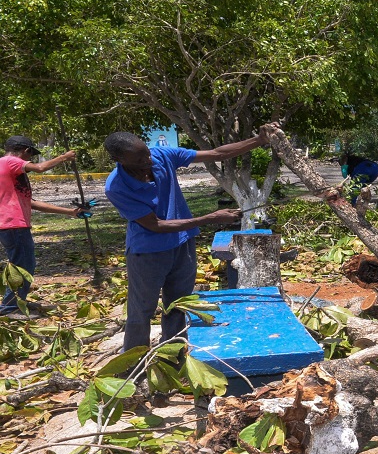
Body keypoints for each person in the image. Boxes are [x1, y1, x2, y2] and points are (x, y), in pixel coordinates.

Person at [104, 123, 279, 351]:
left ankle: (173, 357)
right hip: (147, 252)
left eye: (146, 152)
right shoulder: (116, 187)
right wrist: (210, 218)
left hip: (183, 245)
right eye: (138, 159)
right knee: (141, 311)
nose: (148, 160)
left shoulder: (161, 156)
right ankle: (132, 365)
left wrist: (259, 140)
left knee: (179, 305)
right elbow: (155, 225)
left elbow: (217, 153)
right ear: (119, 159)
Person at [1, 136, 87, 314]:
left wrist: (69, 212)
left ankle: (17, 303)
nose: (30, 160)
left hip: (12, 225)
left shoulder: (10, 171)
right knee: (22, 266)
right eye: (30, 154)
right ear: (25, 150)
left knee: (22, 264)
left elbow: (31, 203)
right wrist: (64, 157)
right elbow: (41, 168)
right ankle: (10, 308)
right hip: (14, 224)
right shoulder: (11, 162)